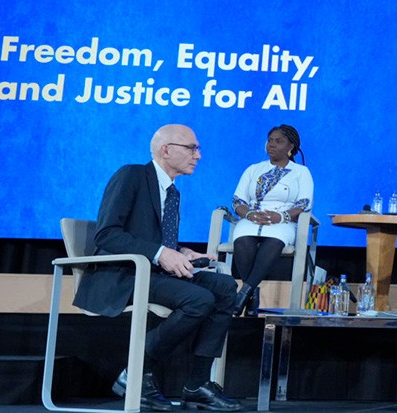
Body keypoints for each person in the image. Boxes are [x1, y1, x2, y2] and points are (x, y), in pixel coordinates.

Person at [74, 124, 241, 412]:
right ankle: (136, 371)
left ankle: (197, 384)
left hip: (151, 271)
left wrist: (181, 252)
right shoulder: (132, 175)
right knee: (198, 299)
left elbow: (153, 237)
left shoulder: (173, 192)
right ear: (166, 150)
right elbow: (106, 234)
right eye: (192, 148)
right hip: (123, 274)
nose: (198, 155)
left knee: (225, 287)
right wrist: (161, 252)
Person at [229, 125, 314, 316]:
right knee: (242, 241)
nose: (272, 145)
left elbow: (304, 202)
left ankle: (243, 294)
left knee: (274, 243)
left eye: (278, 141)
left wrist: (281, 216)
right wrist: (250, 214)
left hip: (283, 221)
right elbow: (238, 200)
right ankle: (250, 294)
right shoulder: (253, 169)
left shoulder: (301, 172)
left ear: (291, 146)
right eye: (269, 140)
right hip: (252, 217)